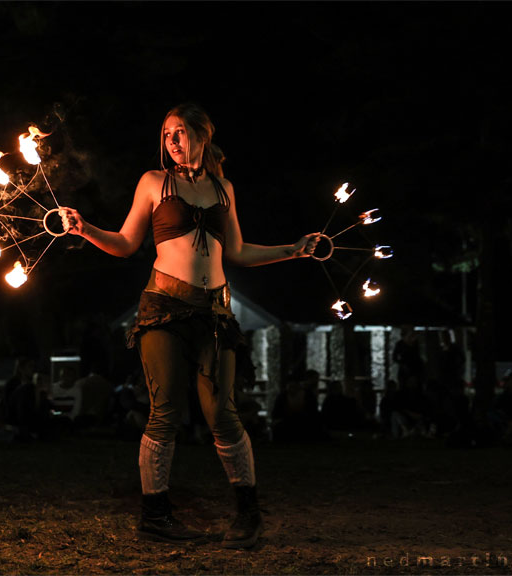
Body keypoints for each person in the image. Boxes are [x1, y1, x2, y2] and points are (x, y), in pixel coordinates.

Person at [59, 103, 320, 548]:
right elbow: (125, 243)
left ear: (202, 134)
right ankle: (155, 517)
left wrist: (293, 250)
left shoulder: (224, 188)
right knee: (166, 411)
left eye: (180, 131)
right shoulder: (154, 183)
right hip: (163, 306)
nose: (172, 141)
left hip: (215, 311)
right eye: (166, 134)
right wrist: (83, 229)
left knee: (221, 412)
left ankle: (248, 515)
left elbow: (236, 251)